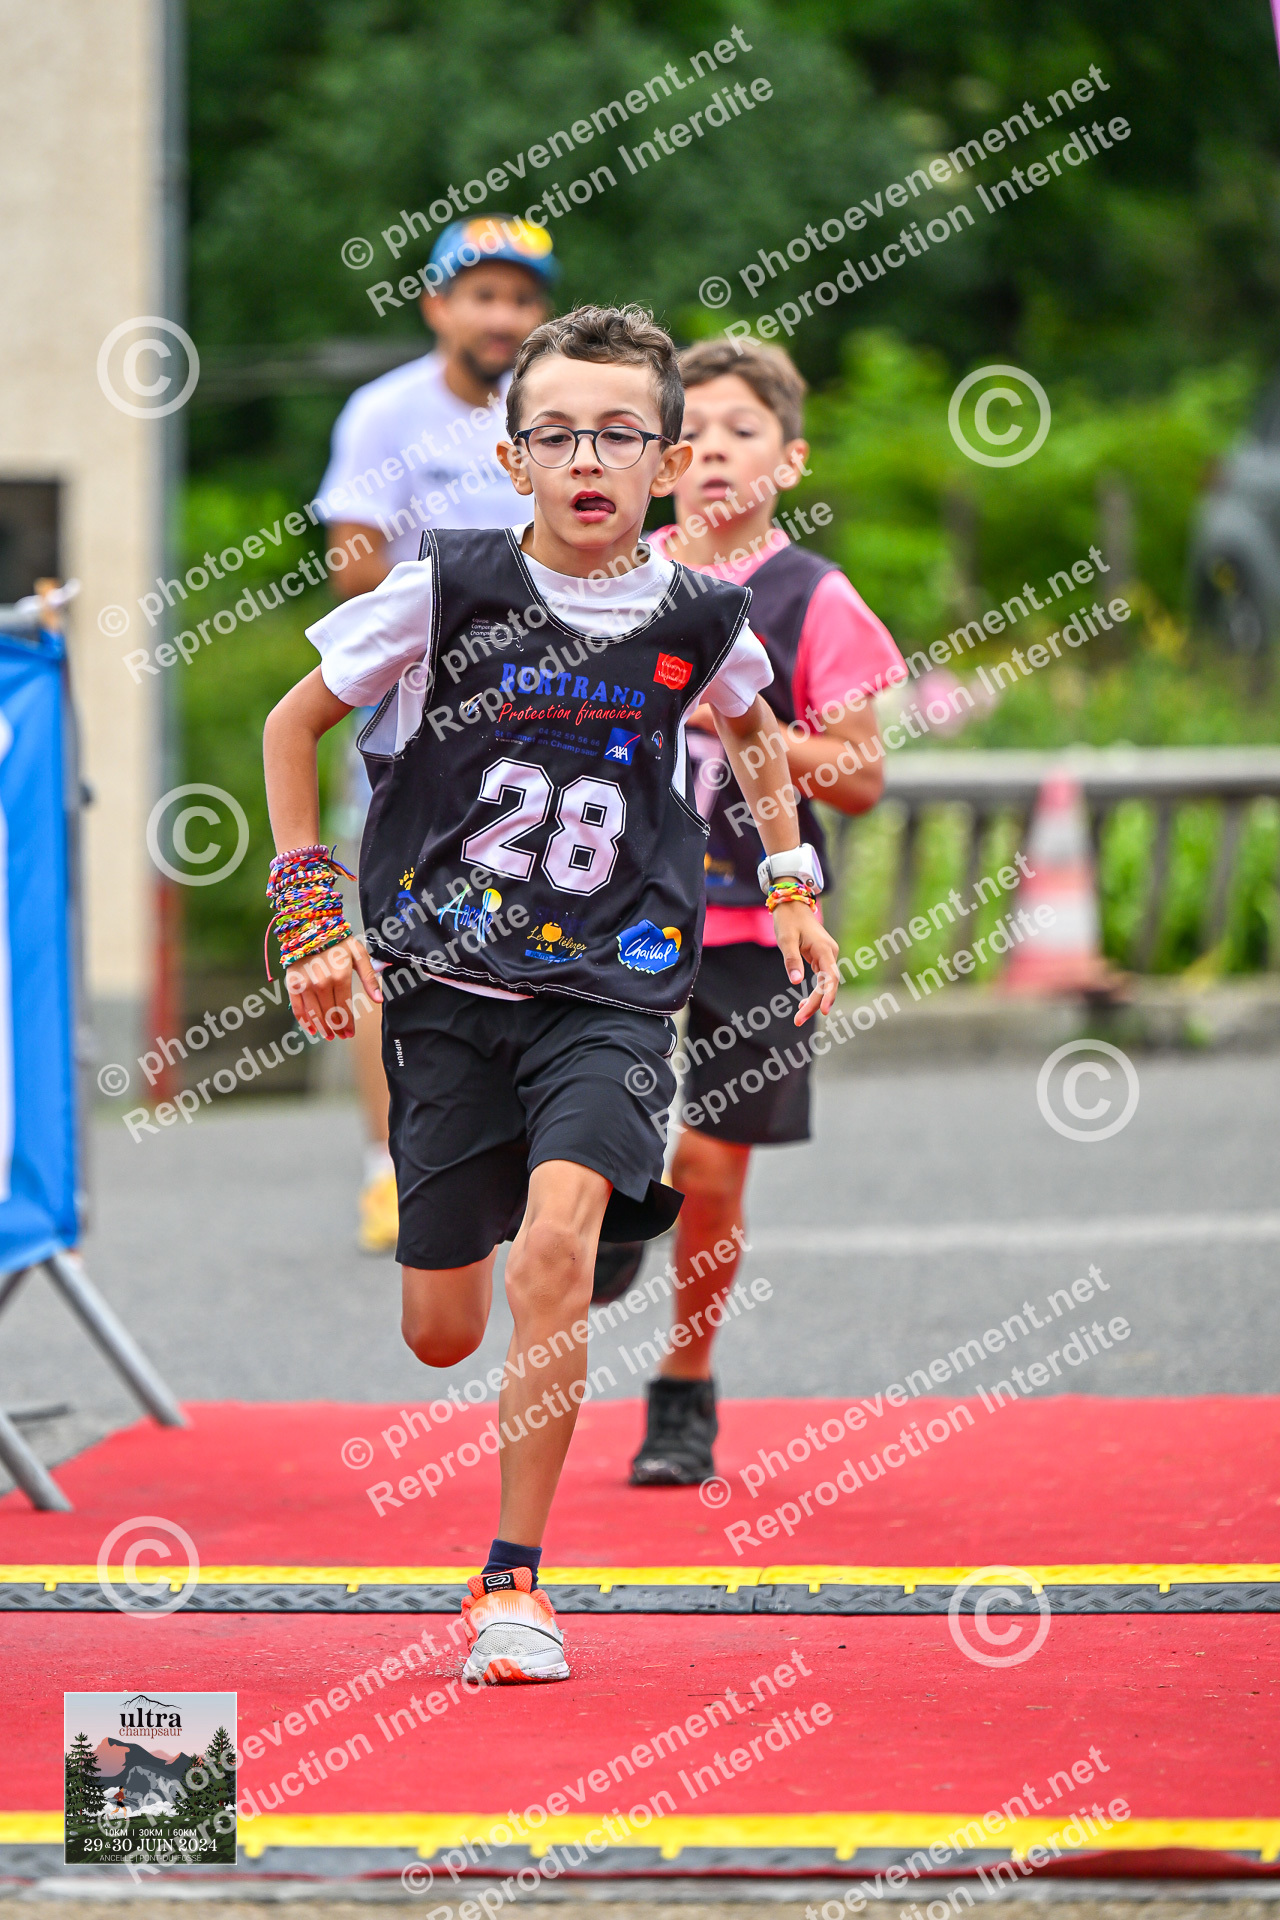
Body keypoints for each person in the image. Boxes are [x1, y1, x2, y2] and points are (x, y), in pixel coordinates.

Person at [263, 306, 841, 1682]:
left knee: (556, 1257)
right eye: (558, 435)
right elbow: (292, 722)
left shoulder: (699, 615)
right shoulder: (446, 588)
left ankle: (511, 1583)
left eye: (619, 434)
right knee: (439, 1331)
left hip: (615, 984)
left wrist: (791, 882)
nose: (588, 459)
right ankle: (510, 1200)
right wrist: (309, 915)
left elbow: (754, 731)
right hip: (449, 985)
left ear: (666, 460)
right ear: (511, 459)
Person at [621, 337, 906, 1488]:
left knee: (708, 1160)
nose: (712, 453)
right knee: (583, 1124)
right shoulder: (613, 575)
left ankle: (683, 1383)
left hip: (756, 914)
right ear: (658, 458)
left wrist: (743, 726)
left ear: (787, 461)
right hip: (617, 905)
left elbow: (861, 775)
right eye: (690, 433)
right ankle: (600, 1221)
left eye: (742, 432)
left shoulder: (811, 596)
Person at [315, 216, 555, 1252]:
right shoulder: (387, 413)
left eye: (521, 299)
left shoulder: (554, 413)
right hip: (412, 722)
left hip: (543, 722)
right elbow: (352, 564)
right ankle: (388, 1168)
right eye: (482, 295)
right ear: (437, 307)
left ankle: (541, 1152)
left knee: (543, 928)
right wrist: (472, 605)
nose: (502, 316)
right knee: (390, 947)